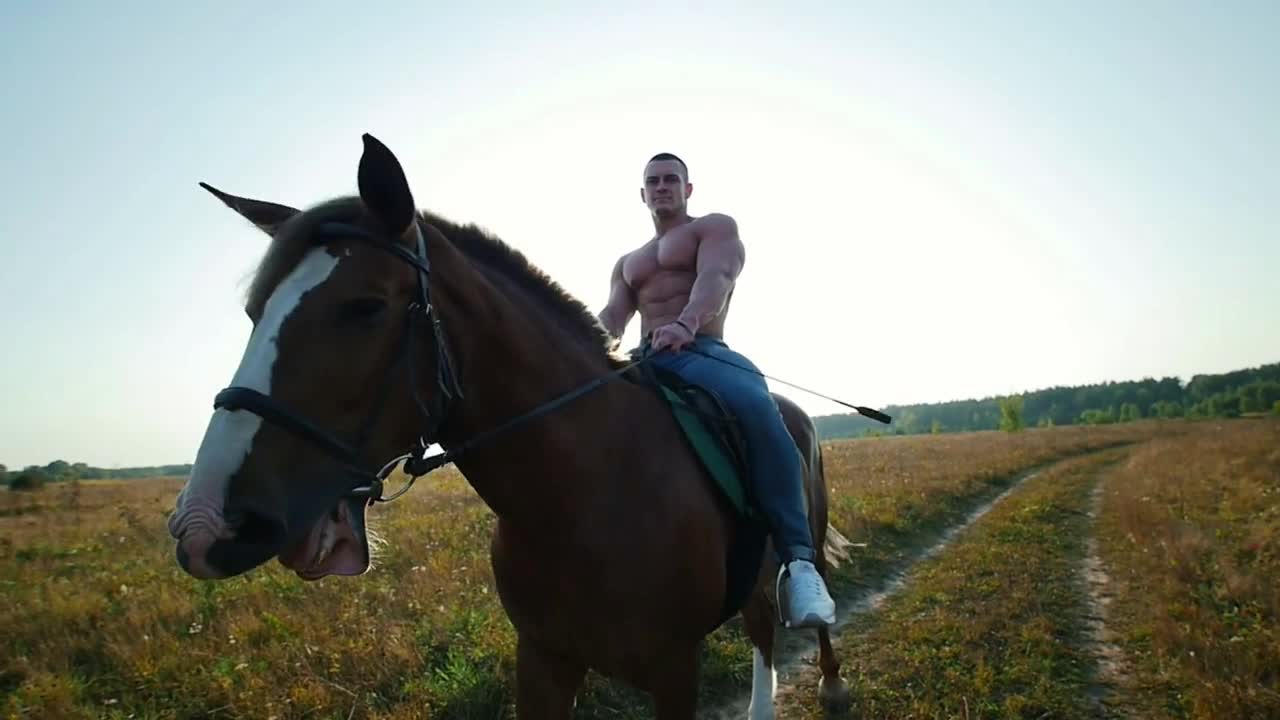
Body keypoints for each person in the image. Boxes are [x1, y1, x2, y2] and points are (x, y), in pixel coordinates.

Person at [597, 152, 837, 628]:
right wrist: (577, 347)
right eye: (653, 181)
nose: (662, 187)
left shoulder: (713, 228)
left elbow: (716, 280)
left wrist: (685, 323)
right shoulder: (628, 262)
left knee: (756, 406)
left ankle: (800, 563)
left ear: (688, 189)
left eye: (671, 179)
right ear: (642, 194)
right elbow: (611, 319)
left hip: (701, 352)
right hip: (644, 360)